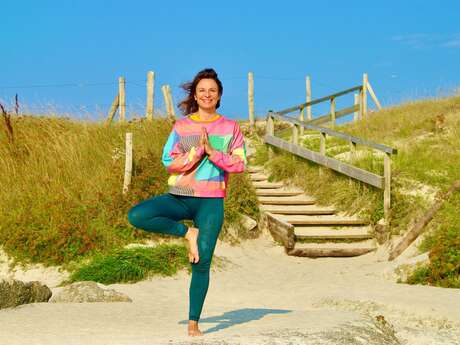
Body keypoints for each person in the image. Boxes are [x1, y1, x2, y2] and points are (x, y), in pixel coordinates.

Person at [127, 68, 246, 336]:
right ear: (195, 94)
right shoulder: (182, 127)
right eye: (202, 90)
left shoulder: (230, 127)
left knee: (201, 262)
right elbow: (169, 162)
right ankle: (187, 232)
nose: (207, 95)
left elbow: (240, 164)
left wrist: (214, 153)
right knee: (137, 215)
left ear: (219, 96)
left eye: (212, 91)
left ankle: (194, 322)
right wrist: (196, 152)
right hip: (181, 196)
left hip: (211, 202)